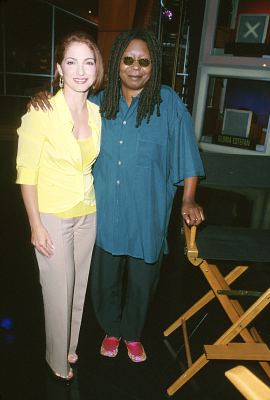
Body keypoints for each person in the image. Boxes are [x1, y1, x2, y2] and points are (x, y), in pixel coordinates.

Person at [30, 28, 205, 364]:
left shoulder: (168, 104)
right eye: (128, 59)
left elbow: (187, 157)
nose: (135, 67)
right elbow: (64, 108)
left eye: (144, 61)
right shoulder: (98, 102)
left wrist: (188, 199)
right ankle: (112, 329)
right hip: (105, 212)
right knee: (104, 279)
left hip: (147, 214)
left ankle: (133, 333)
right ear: (116, 64)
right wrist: (40, 97)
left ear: (154, 66)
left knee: (143, 280)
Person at [16, 31, 104, 379]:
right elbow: (27, 173)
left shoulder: (96, 113)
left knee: (78, 287)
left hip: (87, 211)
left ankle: (68, 345)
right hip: (52, 214)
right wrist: (35, 225)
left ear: (97, 69)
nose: (80, 70)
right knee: (56, 290)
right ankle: (55, 360)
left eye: (88, 61)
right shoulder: (41, 112)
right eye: (71, 61)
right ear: (59, 68)